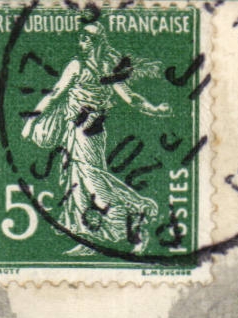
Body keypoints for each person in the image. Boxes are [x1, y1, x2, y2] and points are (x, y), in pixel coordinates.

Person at [23, 22, 170, 254]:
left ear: (96, 43)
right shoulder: (79, 66)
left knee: (91, 180)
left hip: (90, 131)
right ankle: (88, 240)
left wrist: (153, 108)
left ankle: (136, 213)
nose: (81, 44)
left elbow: (130, 97)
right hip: (76, 130)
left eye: (85, 40)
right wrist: (33, 117)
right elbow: (55, 94)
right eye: (80, 39)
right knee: (78, 183)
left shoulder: (105, 69)